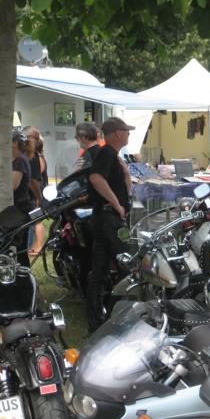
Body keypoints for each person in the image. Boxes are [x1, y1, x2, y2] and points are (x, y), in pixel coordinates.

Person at [86, 117, 135, 333]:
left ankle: (98, 319)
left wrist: (126, 175)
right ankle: (117, 316)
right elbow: (96, 178)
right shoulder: (106, 152)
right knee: (127, 267)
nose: (129, 134)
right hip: (108, 219)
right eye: (126, 130)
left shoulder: (112, 155)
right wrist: (116, 204)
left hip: (105, 218)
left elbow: (123, 186)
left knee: (100, 272)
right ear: (117, 133)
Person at [12, 131, 32, 268]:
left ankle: (25, 273)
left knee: (20, 247)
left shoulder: (20, 160)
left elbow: (13, 185)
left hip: (21, 207)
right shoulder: (18, 159)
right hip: (17, 206)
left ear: (14, 143)